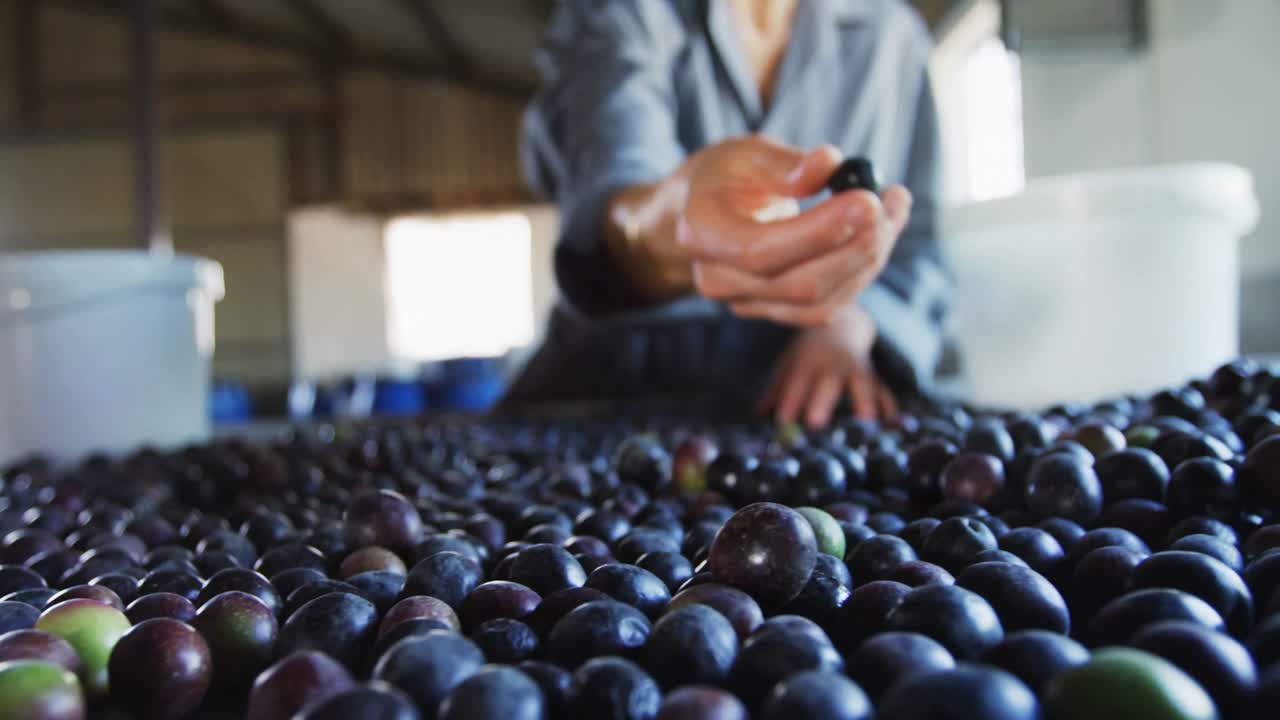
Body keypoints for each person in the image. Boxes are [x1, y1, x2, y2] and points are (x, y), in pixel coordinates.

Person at [503, 0, 950, 429]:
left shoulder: (895, 38)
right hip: (614, 390)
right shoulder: (625, 10)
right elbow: (612, 172)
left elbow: (918, 249)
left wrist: (854, 322)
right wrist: (674, 225)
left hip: (805, 401)